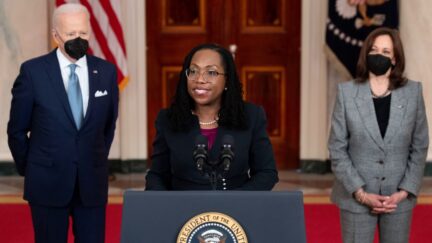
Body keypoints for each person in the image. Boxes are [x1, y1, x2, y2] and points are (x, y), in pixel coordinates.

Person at [7, 3, 119, 243]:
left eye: (83, 33)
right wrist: (34, 168)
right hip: (46, 182)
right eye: (70, 34)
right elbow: (16, 130)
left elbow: (108, 127)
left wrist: (92, 157)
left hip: (92, 183)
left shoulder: (107, 72)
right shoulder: (32, 72)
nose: (78, 39)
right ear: (55, 35)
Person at [328, 27, 428, 243]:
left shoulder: (413, 92)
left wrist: (404, 191)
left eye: (385, 51)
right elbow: (337, 148)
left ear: (395, 58)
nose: (378, 56)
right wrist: (360, 193)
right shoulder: (346, 93)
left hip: (397, 200)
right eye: (374, 50)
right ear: (366, 54)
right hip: (355, 197)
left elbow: (420, 145)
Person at [145, 43, 278, 190]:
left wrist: (236, 202)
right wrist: (162, 205)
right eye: (193, 71)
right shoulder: (168, 119)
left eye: (211, 72)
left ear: (227, 80)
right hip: (184, 209)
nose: (200, 79)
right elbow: (157, 175)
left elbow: (266, 173)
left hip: (235, 209)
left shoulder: (251, 116)